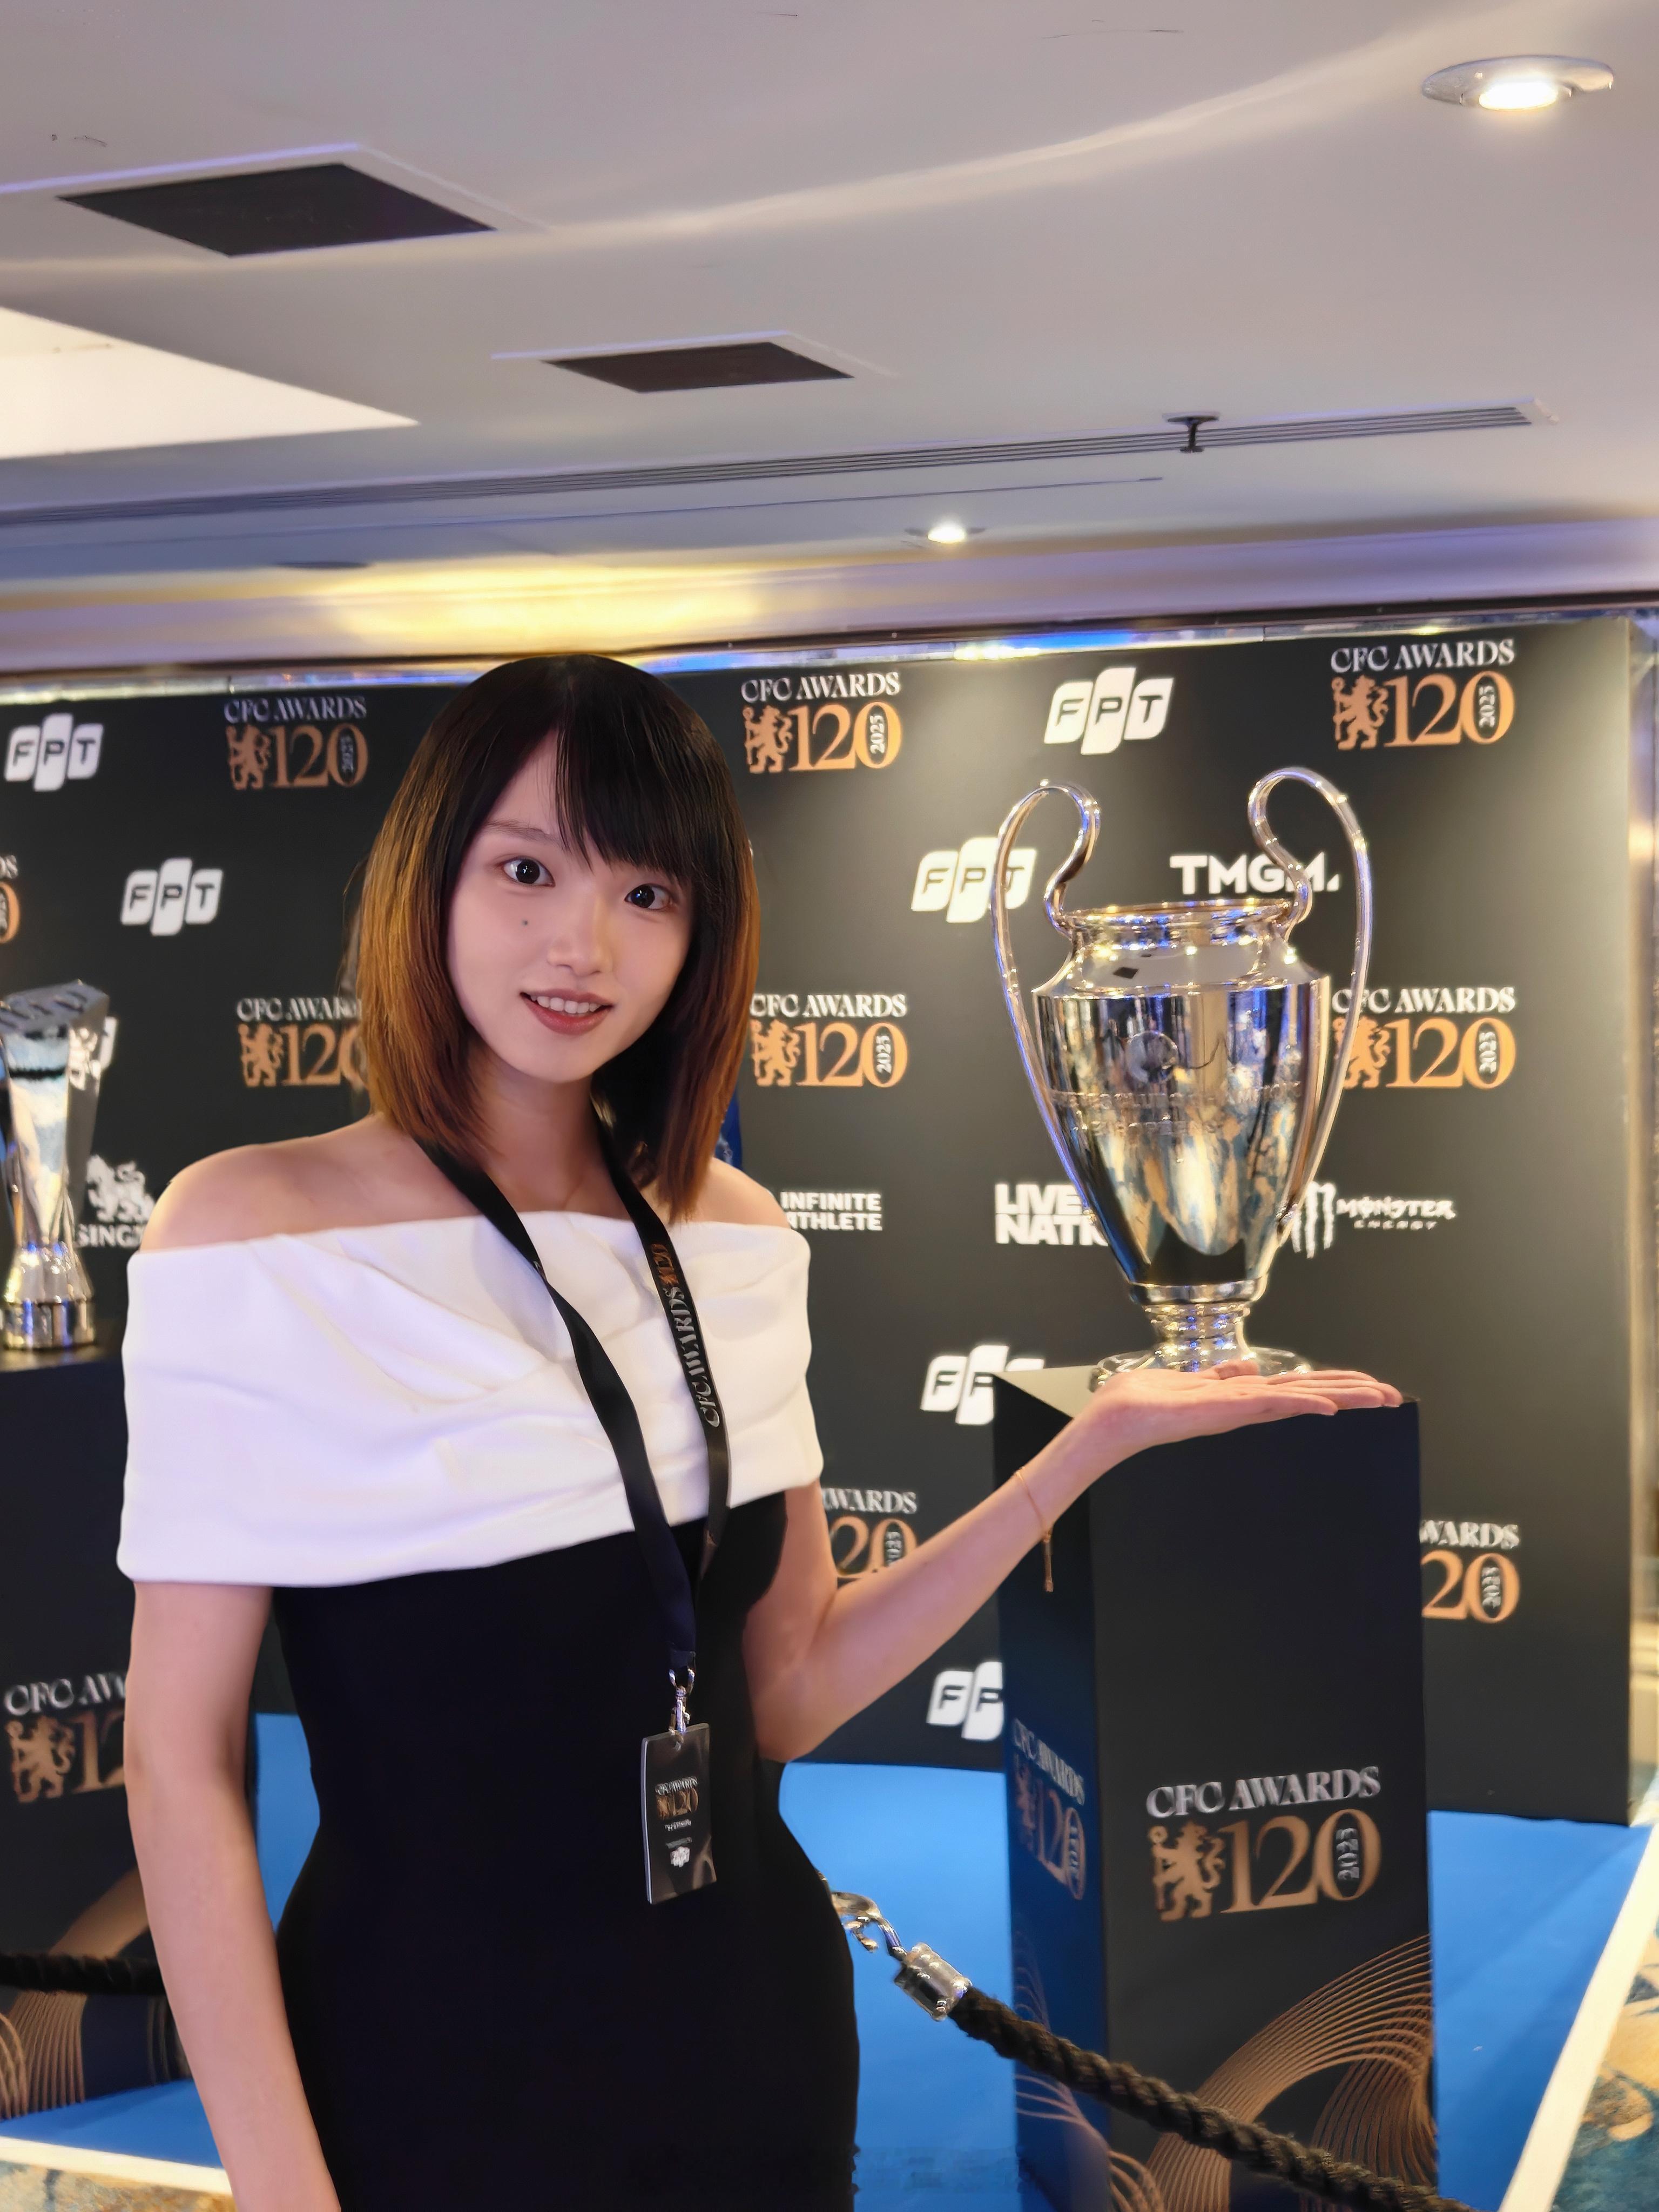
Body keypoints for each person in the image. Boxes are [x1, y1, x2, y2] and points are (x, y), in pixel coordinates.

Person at [118, 655, 1398, 2212]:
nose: (583, 945)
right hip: (422, 2066)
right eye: (526, 871)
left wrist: (1080, 1457)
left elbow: (787, 1689)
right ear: (426, 881)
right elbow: (179, 1764)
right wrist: (280, 2185)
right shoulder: (250, 1234)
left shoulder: (729, 1230)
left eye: (647, 892)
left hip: (748, 2038)